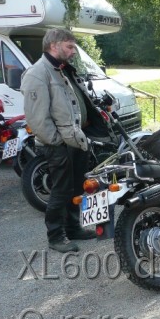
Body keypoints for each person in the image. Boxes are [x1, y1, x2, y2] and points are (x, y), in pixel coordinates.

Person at [22, 28, 96, 253]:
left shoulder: (60, 70)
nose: (73, 52)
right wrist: (56, 142)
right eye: (69, 46)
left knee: (76, 188)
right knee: (61, 190)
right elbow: (37, 117)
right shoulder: (38, 73)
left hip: (74, 140)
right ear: (54, 45)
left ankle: (73, 228)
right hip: (58, 144)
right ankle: (55, 236)